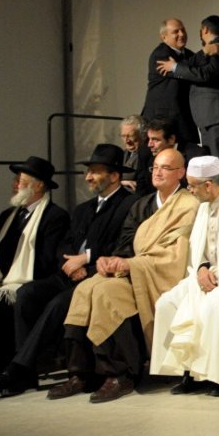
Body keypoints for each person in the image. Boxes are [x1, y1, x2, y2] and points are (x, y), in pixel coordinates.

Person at [0, 146, 132, 400]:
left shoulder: (128, 204)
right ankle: (17, 370)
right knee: (27, 293)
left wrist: (86, 261)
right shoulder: (84, 208)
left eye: (94, 172)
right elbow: (65, 246)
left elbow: (122, 246)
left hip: (98, 275)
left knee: (57, 304)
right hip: (68, 274)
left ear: (114, 176)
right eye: (88, 172)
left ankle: (18, 369)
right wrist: (71, 263)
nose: (88, 177)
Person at [49, 148, 198, 403]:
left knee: (108, 293)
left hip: (156, 273)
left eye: (165, 168)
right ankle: (80, 373)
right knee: (85, 289)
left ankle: (120, 374)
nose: (158, 172)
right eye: (155, 167)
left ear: (181, 173)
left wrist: (131, 265)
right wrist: (111, 260)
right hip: (134, 268)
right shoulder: (143, 203)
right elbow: (127, 241)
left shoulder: (188, 205)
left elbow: (175, 253)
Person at [150, 156, 219, 396]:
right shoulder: (203, 206)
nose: (189, 190)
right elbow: (197, 250)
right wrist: (201, 269)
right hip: (205, 275)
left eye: (192, 185)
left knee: (211, 307)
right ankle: (189, 372)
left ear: (208, 185)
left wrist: (213, 275)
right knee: (167, 303)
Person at [0, 157, 69, 381]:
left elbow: (46, 263)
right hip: (0, 285)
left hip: (26, 285)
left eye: (20, 180)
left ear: (38, 186)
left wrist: (7, 283)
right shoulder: (8, 216)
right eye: (16, 180)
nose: (15, 184)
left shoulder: (55, 217)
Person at [156, 15, 219, 159]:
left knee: (218, 160)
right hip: (210, 115)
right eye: (176, 31)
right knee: (212, 159)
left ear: (205, 30)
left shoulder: (218, 47)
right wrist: (204, 52)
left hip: (215, 114)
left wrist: (175, 67)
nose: (182, 34)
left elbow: (205, 74)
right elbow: (194, 64)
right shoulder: (210, 48)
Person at [141, 18, 197, 149]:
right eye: (175, 32)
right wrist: (177, 67)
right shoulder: (160, 54)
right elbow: (186, 72)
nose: (181, 34)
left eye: (183, 30)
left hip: (182, 119)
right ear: (164, 37)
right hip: (161, 119)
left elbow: (197, 71)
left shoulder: (189, 55)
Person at [119, 115, 144, 192]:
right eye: (123, 136)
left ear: (142, 134)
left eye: (130, 136)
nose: (127, 140)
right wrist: (121, 183)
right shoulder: (121, 154)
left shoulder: (146, 157)